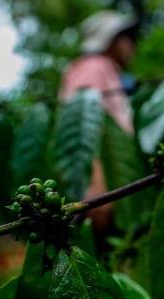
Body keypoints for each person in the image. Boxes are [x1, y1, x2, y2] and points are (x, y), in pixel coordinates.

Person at [59, 10, 138, 231]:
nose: (132, 45)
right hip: (100, 188)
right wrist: (94, 187)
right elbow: (81, 129)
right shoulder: (93, 66)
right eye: (126, 38)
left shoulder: (107, 70)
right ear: (111, 41)